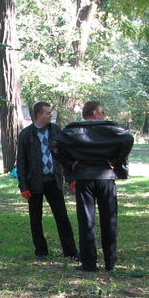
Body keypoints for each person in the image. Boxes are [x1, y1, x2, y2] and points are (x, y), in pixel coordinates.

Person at [52, 101, 134, 272]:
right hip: (106, 176)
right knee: (109, 220)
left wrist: (70, 163)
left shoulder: (74, 130)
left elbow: (55, 145)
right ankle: (110, 262)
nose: (103, 115)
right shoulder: (110, 129)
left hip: (84, 177)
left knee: (86, 221)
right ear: (95, 112)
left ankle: (89, 264)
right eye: (102, 111)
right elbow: (128, 138)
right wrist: (116, 161)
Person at [16, 101, 79, 262]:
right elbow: (21, 162)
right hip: (34, 182)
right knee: (35, 219)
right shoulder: (26, 134)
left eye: (51, 113)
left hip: (54, 180)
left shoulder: (56, 130)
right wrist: (23, 186)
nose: (51, 116)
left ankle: (71, 251)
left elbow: (64, 155)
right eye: (48, 113)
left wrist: (71, 176)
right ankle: (41, 251)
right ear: (38, 115)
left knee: (62, 217)